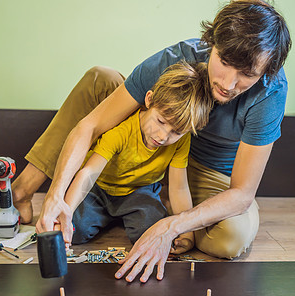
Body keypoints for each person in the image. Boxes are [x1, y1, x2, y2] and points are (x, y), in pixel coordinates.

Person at [0, 0, 291, 283]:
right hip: (146, 138)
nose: (229, 84)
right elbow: (90, 126)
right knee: (101, 79)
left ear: (267, 71)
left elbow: (243, 193)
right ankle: (20, 193)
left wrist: (170, 227)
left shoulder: (270, 92)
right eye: (225, 63)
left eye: (247, 74)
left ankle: (154, 205)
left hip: (204, 168)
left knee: (230, 239)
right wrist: (56, 198)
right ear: (210, 43)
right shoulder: (176, 60)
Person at [63, 61, 213, 249]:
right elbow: (88, 174)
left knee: (153, 235)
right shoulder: (121, 131)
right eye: (160, 121)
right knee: (76, 230)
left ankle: (126, 216)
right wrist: (66, 214)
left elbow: (179, 188)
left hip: (139, 191)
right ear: (149, 99)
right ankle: (106, 216)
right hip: (100, 189)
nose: (162, 136)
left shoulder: (182, 141)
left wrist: (187, 234)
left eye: (176, 132)